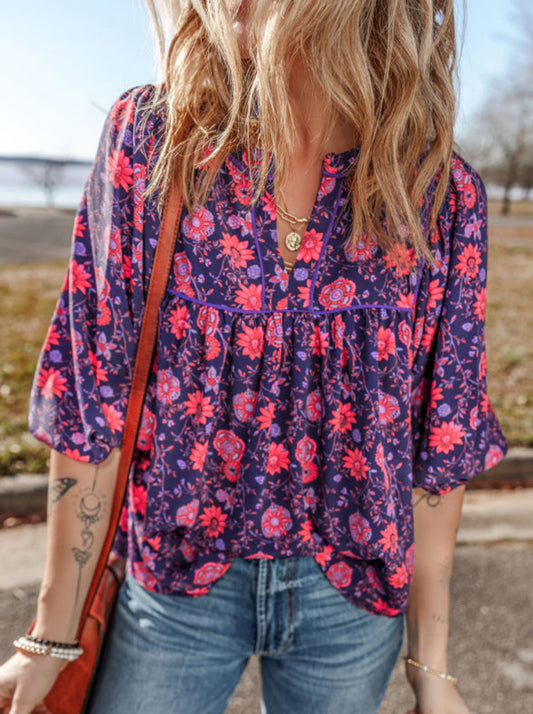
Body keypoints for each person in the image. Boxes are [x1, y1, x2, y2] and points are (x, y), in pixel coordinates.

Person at [0, 1, 508, 713]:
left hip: (351, 604)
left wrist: (433, 667)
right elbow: (93, 396)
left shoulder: (435, 194)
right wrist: (50, 637)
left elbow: (440, 441)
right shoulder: (156, 142)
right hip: (175, 591)